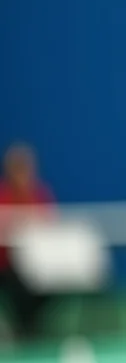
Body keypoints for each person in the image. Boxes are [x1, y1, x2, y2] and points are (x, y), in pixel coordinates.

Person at [0, 143, 56, 340]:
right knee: (18, 288)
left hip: (37, 266)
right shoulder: (3, 197)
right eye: (18, 168)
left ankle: (30, 328)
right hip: (6, 267)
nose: (22, 173)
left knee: (50, 284)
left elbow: (48, 228)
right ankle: (22, 329)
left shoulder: (40, 196)